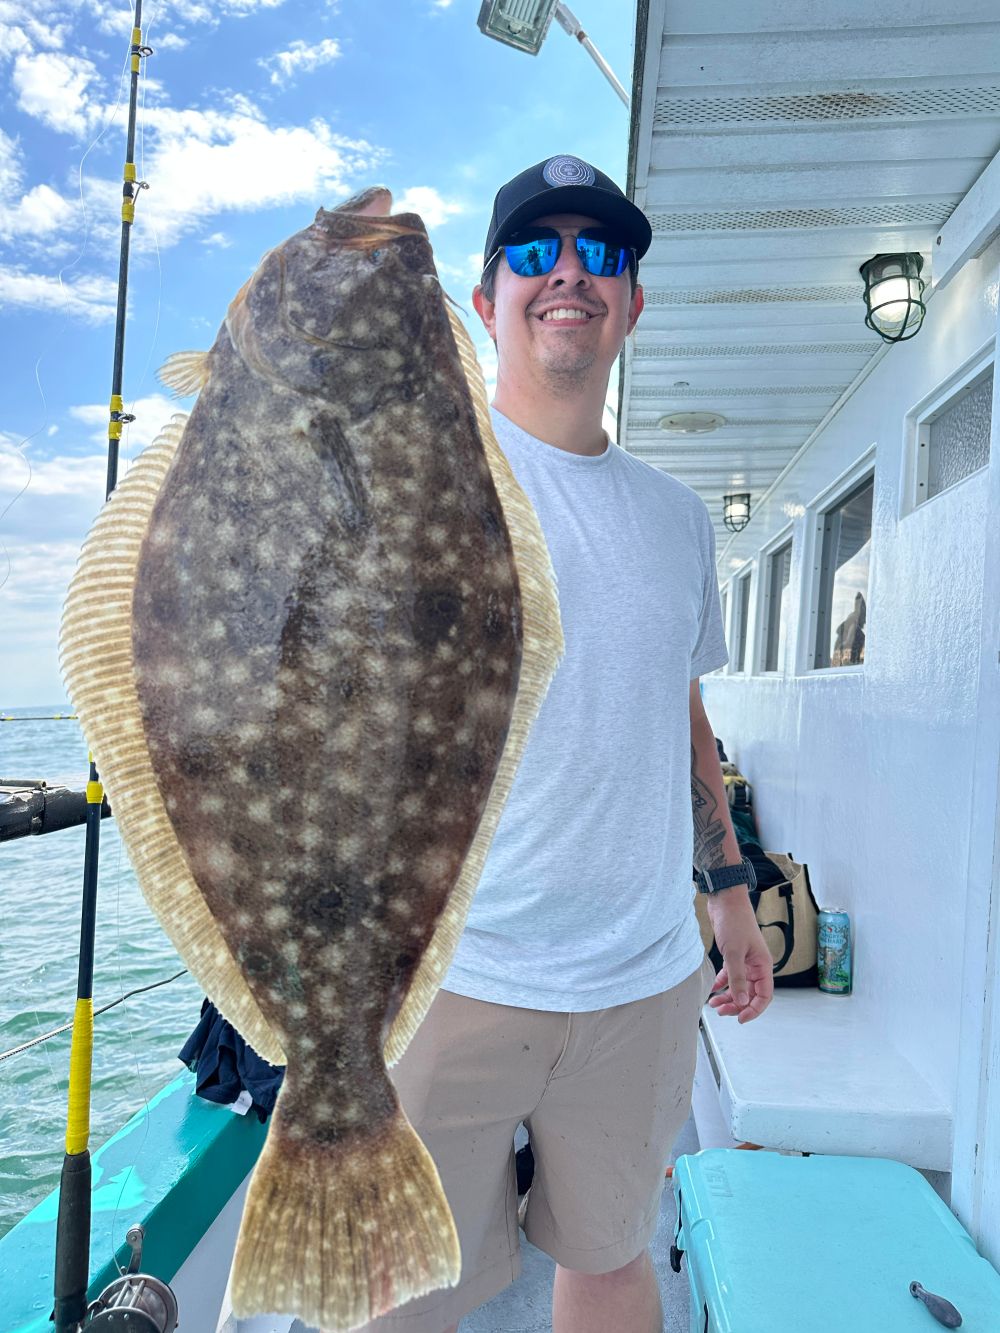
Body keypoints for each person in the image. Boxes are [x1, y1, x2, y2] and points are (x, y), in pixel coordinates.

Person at [359, 156, 774, 1333]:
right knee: (400, 1297)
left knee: (610, 1255)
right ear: (486, 300)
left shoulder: (679, 519)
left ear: (633, 303)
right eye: (536, 253)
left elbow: (677, 710)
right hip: (449, 979)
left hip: (642, 981)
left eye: (603, 254)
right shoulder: (410, 487)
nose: (571, 274)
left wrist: (730, 894)